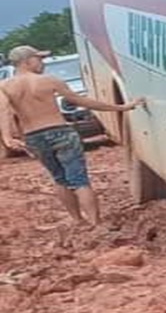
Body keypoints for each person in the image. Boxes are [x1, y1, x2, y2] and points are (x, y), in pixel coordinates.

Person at [0, 46, 145, 226]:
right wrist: (122, 107)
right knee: (79, 180)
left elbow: (4, 111)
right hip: (61, 131)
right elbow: (81, 101)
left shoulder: (4, 86)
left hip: (34, 137)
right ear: (27, 61)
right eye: (39, 59)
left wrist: (7, 138)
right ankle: (95, 223)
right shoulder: (49, 81)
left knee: (59, 179)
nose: (42, 63)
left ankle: (77, 220)